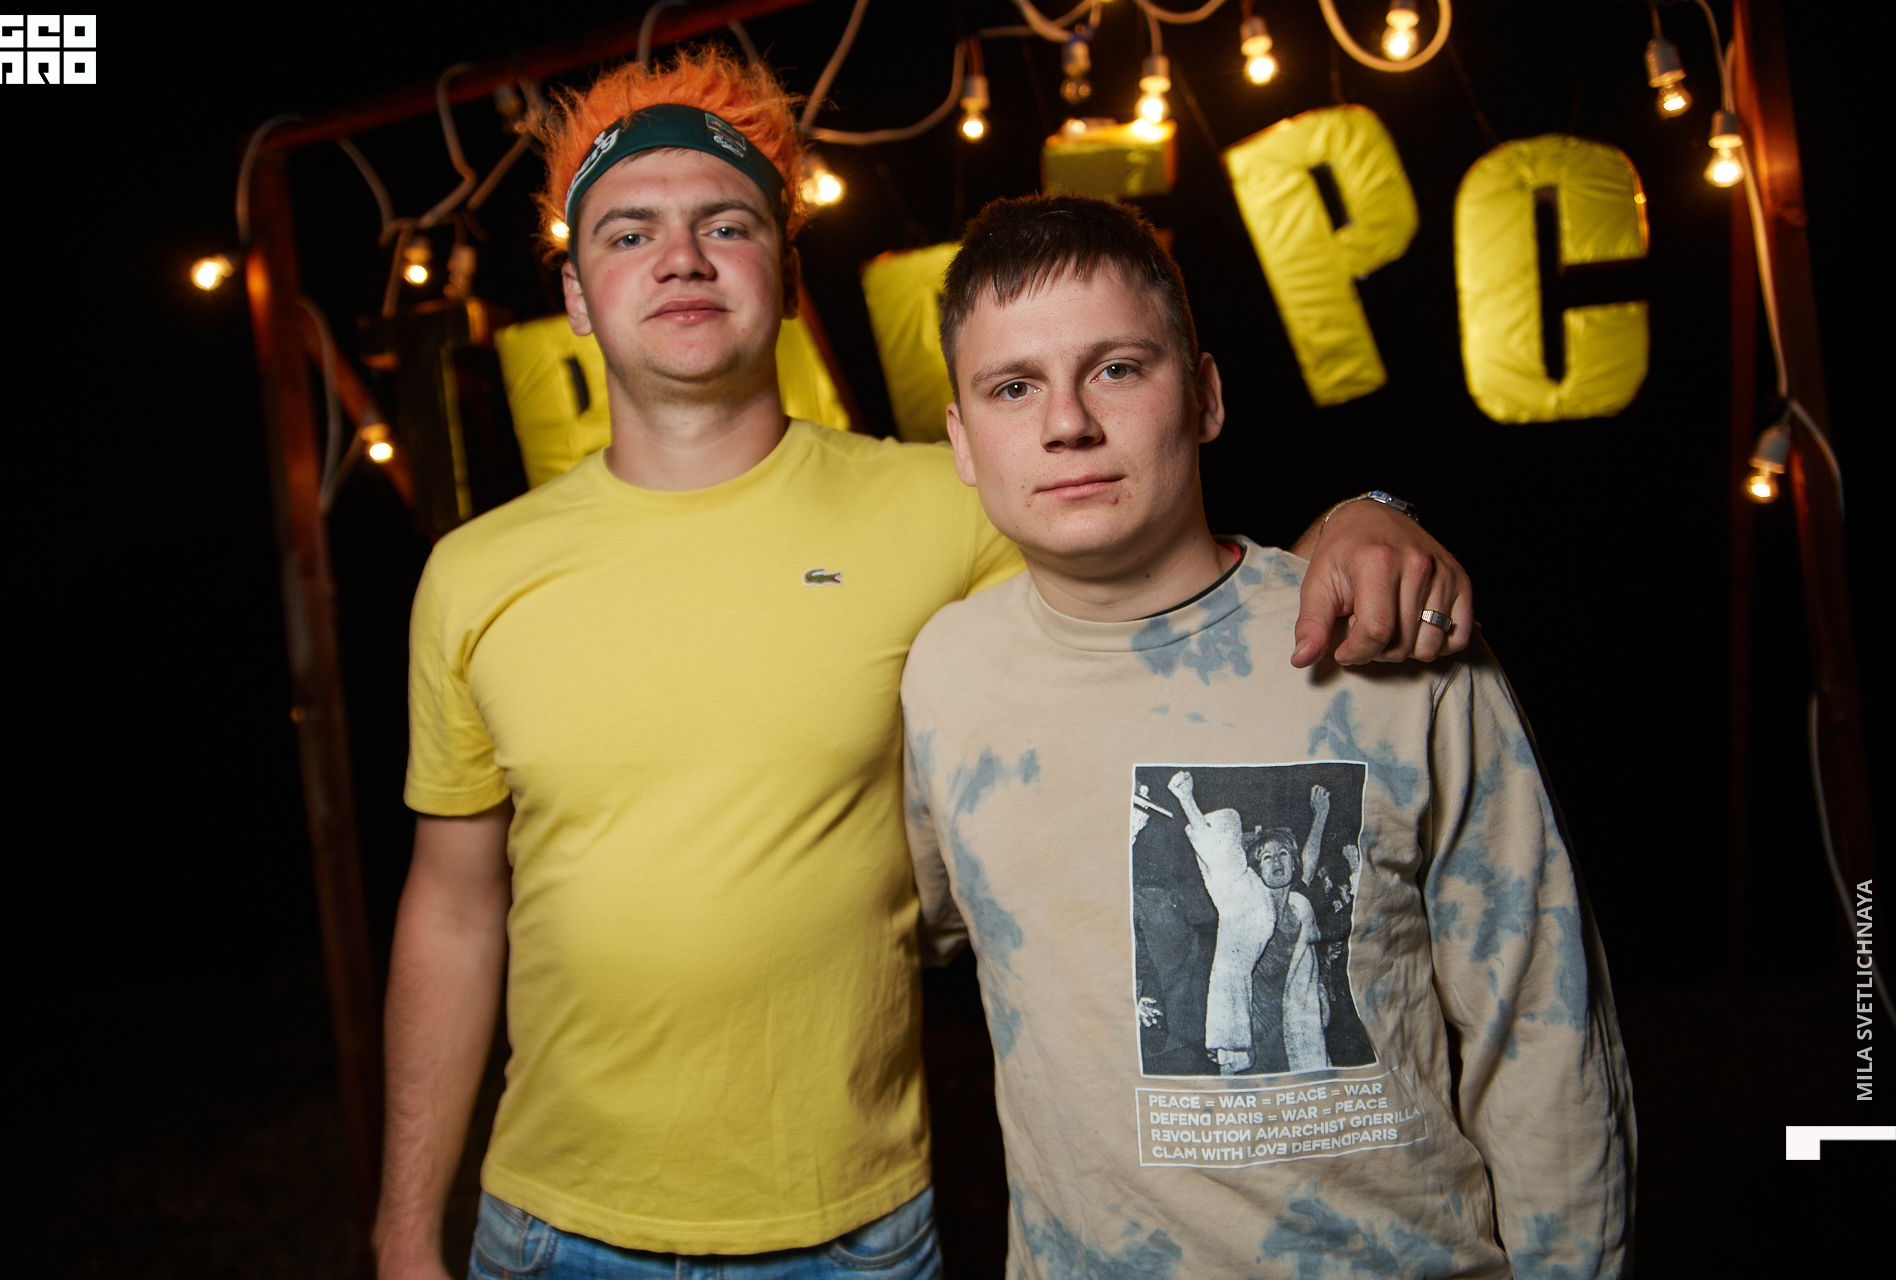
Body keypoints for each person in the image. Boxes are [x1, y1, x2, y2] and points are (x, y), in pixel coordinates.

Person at [376, 48, 1481, 1280]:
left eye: (725, 224)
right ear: (577, 296)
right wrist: (403, 1226)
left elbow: (1180, 582)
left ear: (788, 279)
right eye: (629, 234)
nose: (681, 258)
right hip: (552, 1226)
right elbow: (453, 906)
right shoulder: (474, 575)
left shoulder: (949, 505)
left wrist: (1358, 517)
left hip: (855, 1226)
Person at [902, 193, 1632, 1277]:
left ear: (1204, 395)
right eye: (1014, 387)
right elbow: (904, 931)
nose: (1067, 423)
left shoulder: (1385, 644)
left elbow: (1543, 1026)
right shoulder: (947, 674)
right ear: (963, 441)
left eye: (1117, 369)